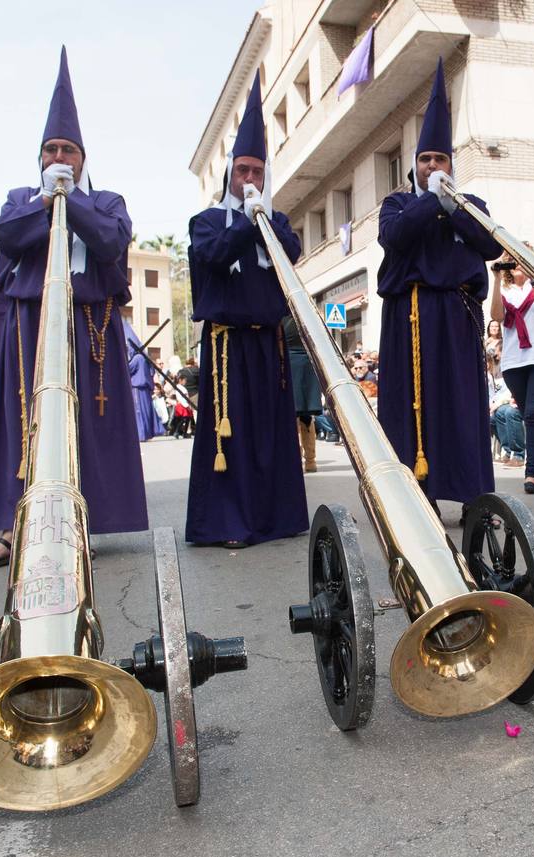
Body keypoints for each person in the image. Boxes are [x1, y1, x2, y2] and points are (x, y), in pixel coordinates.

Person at [0, 47, 148, 571]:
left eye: (68, 149)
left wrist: (74, 200)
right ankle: (13, 529)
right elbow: (4, 235)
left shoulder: (107, 200)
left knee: (86, 424)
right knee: (26, 423)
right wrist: (46, 202)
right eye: (50, 149)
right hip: (32, 327)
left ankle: (80, 523)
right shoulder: (21, 196)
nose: (58, 158)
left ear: (83, 157)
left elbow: (113, 240)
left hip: (89, 326)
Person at [185, 73, 307, 549]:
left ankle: (275, 518)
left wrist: (265, 219)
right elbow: (213, 254)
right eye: (243, 171)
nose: (250, 179)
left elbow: (292, 252)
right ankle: (229, 523)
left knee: (270, 434)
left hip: (268, 342)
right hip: (227, 344)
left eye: (257, 171)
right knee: (230, 436)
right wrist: (248, 219)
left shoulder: (275, 221)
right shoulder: (209, 221)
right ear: (230, 174)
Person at [376, 59, 501, 510]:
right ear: (415, 165)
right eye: (425, 160)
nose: (432, 166)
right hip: (409, 319)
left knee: (460, 407)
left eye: (440, 159)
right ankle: (415, 499)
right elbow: (395, 236)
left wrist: (453, 204)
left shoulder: (469, 203)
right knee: (413, 408)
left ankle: (470, 493)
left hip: (459, 318)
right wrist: (431, 199)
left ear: (451, 162)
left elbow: (489, 245)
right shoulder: (398, 203)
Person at [491, 249, 534, 493]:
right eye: (512, 259)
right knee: (530, 416)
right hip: (513, 362)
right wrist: (497, 278)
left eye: (521, 258)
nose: (517, 263)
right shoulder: (504, 289)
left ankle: (530, 473)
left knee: (533, 414)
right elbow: (496, 316)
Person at [284, 314, 323, 472]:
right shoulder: (309, 315)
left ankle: (295, 459)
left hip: (290, 365)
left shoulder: (282, 317)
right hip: (308, 364)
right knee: (307, 416)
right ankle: (310, 460)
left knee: (291, 415)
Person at [125, 321, 164, 442]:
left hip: (137, 387)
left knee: (139, 411)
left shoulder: (137, 358)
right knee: (146, 411)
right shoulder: (145, 358)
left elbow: (128, 369)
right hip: (146, 388)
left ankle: (141, 434)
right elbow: (152, 372)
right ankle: (146, 433)